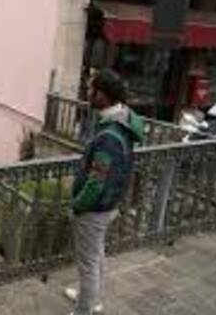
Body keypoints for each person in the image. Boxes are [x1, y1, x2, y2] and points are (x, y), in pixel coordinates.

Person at [65, 69, 144, 315]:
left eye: (92, 90)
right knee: (97, 255)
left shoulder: (109, 136)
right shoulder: (123, 119)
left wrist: (77, 205)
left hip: (93, 209)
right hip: (108, 205)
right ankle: (92, 298)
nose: (88, 93)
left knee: (88, 263)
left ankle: (84, 309)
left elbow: (96, 182)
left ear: (104, 95)